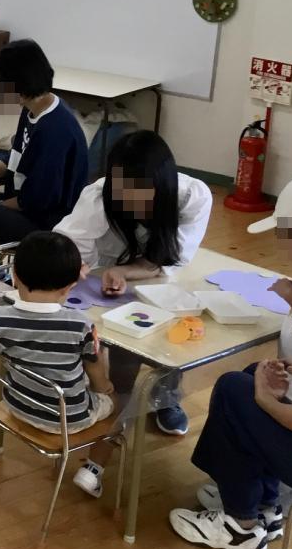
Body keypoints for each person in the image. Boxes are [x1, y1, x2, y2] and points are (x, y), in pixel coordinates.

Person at [170, 173, 292, 549]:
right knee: (256, 374)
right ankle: (264, 505)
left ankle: (241, 526)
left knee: (236, 388)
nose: (281, 245)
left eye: (285, 233)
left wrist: (264, 400)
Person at [54, 130, 212, 436]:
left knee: (169, 327)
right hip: (104, 272)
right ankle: (114, 395)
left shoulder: (192, 197)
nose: (128, 199)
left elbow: (172, 257)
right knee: (118, 334)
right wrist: (76, 267)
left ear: (161, 184)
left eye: (139, 191)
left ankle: (166, 397)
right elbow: (71, 244)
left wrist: (127, 271)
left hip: (158, 273)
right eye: (121, 190)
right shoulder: (99, 196)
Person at [0, 231, 118, 497]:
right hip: (70, 419)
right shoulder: (80, 324)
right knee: (118, 407)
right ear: (69, 287)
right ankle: (93, 469)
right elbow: (95, 369)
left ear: (14, 275)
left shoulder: (0, 316)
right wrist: (105, 388)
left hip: (17, 405)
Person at [0, 40, 88, 247]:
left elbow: (37, 201)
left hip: (45, 226)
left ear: (20, 85)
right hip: (27, 207)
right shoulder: (33, 109)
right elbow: (16, 159)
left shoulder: (54, 130)